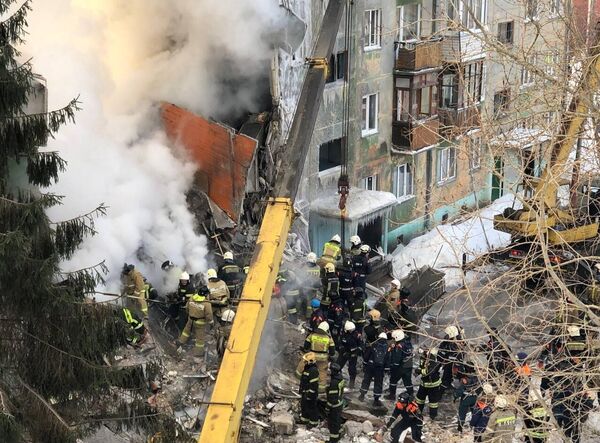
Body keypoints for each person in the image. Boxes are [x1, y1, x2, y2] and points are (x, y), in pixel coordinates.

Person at [178, 288, 213, 356]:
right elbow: (209, 315)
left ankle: (181, 341)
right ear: (206, 295)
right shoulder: (207, 304)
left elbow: (187, 308)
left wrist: (190, 314)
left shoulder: (192, 298)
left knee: (186, 331)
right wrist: (211, 323)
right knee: (200, 338)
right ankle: (198, 353)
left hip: (190, 320)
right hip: (200, 322)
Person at [304, 321, 336, 392]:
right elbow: (332, 352)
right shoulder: (329, 338)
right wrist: (330, 355)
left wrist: (307, 351)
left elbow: (305, 346)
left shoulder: (312, 335)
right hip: (323, 358)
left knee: (308, 369)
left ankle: (305, 384)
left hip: (312, 357)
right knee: (322, 372)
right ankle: (321, 389)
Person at [359, 332, 388, 407]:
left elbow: (367, 356)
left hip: (370, 366)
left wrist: (365, 364)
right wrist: (386, 369)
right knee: (378, 383)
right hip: (379, 368)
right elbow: (387, 359)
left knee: (366, 380)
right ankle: (376, 400)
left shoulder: (373, 345)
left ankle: (362, 395)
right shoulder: (387, 348)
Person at [415, 347, 442, 420]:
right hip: (424, 383)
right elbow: (422, 366)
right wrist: (418, 370)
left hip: (433, 385)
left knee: (433, 402)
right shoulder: (423, 357)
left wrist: (420, 371)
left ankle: (433, 416)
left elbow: (430, 371)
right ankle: (418, 413)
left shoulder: (433, 359)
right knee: (419, 399)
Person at [386, 329, 414, 399]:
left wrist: (393, 366)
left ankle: (392, 395)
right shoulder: (408, 343)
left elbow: (397, 358)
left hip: (400, 366)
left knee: (393, 380)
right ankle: (411, 394)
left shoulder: (399, 346)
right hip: (408, 365)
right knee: (407, 381)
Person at [455, 361, 479, 433]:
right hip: (474, 398)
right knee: (475, 413)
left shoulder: (464, 379)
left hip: (466, 398)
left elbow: (460, 390)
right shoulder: (477, 377)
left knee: (462, 414)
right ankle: (475, 426)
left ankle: (460, 428)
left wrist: (455, 396)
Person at [299, 352, 320, 428]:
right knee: (304, 406)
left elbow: (314, 385)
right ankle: (304, 420)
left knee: (311, 407)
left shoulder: (313, 370)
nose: (304, 362)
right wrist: (301, 389)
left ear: (311, 361)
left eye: (306, 361)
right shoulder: (307, 368)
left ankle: (313, 423)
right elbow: (303, 380)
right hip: (305, 391)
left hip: (311, 393)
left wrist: (310, 395)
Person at [337, 321, 361, 389]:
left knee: (352, 369)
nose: (351, 331)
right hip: (344, 353)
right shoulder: (343, 334)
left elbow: (360, 345)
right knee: (338, 366)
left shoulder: (356, 335)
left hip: (353, 354)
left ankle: (351, 384)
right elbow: (340, 344)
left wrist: (356, 352)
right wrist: (343, 352)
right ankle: (337, 380)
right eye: (350, 330)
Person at [439, 325, 463, 391]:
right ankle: (444, 386)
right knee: (447, 374)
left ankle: (447, 384)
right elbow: (443, 351)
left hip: (452, 361)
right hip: (449, 361)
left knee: (449, 374)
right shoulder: (448, 341)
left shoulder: (456, 340)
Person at [326, 363, 345, 443]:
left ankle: (333, 440)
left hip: (334, 405)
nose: (329, 371)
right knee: (337, 421)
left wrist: (327, 407)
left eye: (330, 370)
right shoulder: (340, 378)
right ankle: (339, 434)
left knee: (333, 423)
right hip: (339, 403)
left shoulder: (334, 382)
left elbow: (332, 398)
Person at [301, 252, 322, 319]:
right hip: (314, 288)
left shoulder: (304, 267)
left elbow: (301, 277)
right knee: (312, 301)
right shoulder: (318, 267)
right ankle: (313, 314)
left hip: (306, 288)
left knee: (308, 303)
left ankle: (308, 316)